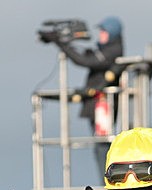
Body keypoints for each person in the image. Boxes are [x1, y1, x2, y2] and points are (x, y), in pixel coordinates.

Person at [42, 16, 124, 176]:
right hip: (98, 104)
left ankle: (108, 181)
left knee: (103, 145)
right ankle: (107, 179)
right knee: (99, 144)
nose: (101, 34)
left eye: (104, 31)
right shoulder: (105, 51)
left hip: (103, 105)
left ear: (112, 33)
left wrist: (60, 43)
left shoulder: (112, 51)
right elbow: (86, 58)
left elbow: (84, 61)